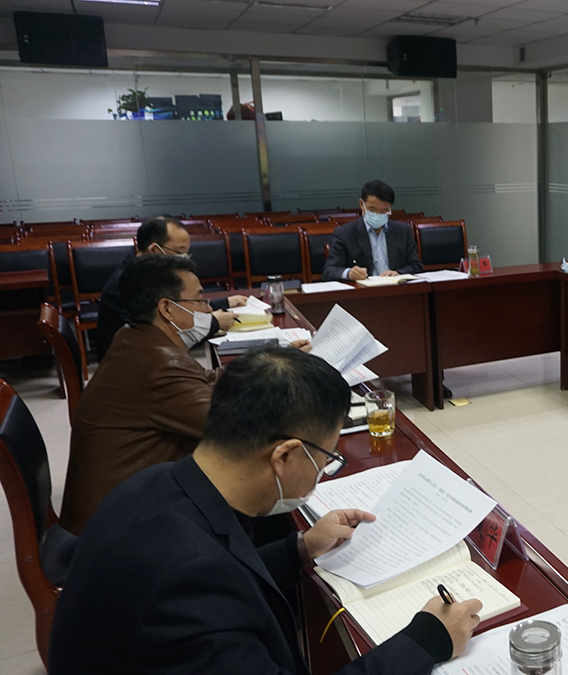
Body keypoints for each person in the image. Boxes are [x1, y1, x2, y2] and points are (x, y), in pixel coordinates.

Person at [49, 347, 482, 674]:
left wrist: (299, 547)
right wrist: (425, 641)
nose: (322, 470)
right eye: (326, 458)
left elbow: (226, 564)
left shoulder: (156, 481)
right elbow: (208, 578)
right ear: (284, 456)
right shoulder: (189, 580)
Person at [59, 255, 311, 535]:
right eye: (199, 301)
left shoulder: (136, 338)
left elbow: (204, 379)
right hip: (120, 528)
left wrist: (272, 363)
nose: (208, 309)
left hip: (123, 501)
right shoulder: (159, 364)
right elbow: (235, 430)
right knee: (264, 490)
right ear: (167, 308)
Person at [95, 215, 246, 361]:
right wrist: (214, 323)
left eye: (187, 253)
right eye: (180, 253)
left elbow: (181, 306)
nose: (184, 258)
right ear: (154, 250)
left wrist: (224, 303)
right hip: (135, 363)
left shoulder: (148, 273)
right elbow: (166, 334)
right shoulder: (127, 282)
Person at [323, 180, 423, 281]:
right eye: (372, 210)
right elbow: (329, 270)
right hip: (364, 288)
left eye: (384, 211)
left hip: (396, 286)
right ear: (361, 204)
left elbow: (416, 265)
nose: (377, 215)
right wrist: (348, 273)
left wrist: (398, 273)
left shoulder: (403, 231)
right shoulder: (344, 233)